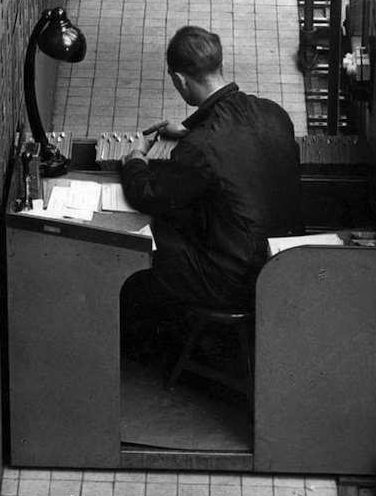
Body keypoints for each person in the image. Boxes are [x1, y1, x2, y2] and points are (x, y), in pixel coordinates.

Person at [118, 26, 303, 358]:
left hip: (235, 280)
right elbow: (233, 133)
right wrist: (189, 127)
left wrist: (134, 158)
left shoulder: (200, 148)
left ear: (179, 80)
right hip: (283, 261)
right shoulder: (274, 112)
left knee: (145, 248)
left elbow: (148, 193)